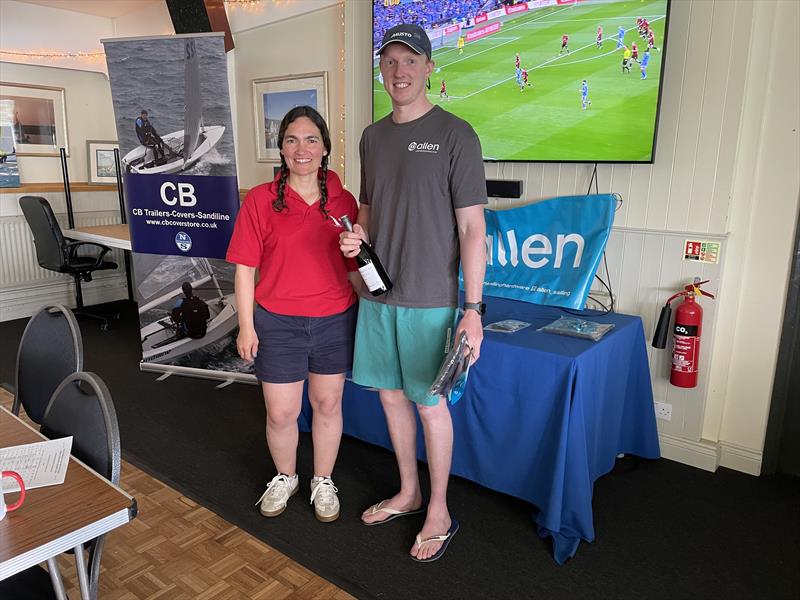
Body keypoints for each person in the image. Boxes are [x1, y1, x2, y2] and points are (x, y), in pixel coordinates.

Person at [339, 23, 487, 563]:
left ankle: (440, 510)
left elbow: (472, 229)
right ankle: (409, 491)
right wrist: (357, 241)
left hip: (431, 301)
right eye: (390, 61)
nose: (399, 71)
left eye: (410, 61)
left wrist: (472, 310)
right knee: (391, 398)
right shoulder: (373, 137)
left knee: (430, 407)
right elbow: (371, 210)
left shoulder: (456, 134)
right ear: (382, 70)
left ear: (429, 68)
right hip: (380, 297)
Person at [227, 105, 359, 523]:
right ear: (281, 148)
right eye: (291, 139)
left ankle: (322, 479)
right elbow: (245, 268)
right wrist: (246, 326)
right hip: (277, 322)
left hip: (334, 319)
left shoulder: (344, 200)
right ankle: (286, 476)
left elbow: (355, 267)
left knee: (326, 404)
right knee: (281, 413)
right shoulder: (261, 201)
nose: (301, 148)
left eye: (311, 139)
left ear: (324, 148)